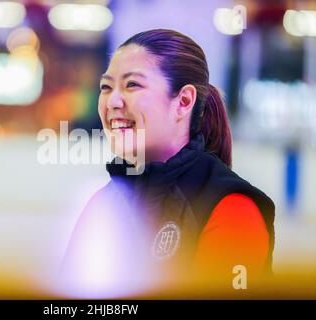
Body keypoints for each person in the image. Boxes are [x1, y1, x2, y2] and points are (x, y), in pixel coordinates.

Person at [61, 29, 275, 292]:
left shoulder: (232, 208)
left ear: (183, 102)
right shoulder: (104, 202)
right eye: (106, 87)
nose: (112, 101)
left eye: (132, 85)